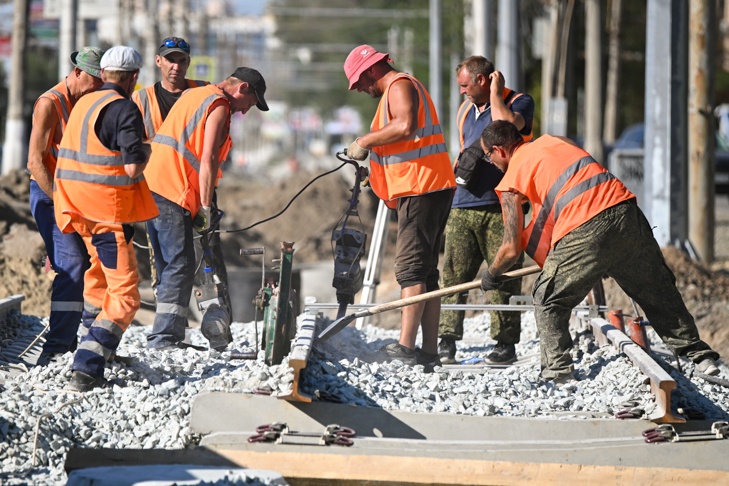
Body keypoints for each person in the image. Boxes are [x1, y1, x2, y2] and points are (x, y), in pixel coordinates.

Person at [479, 120, 722, 382]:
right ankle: (701, 357)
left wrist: (492, 274)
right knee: (657, 290)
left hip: (586, 226)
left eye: (487, 156)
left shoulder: (511, 180)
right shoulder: (554, 141)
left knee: (547, 297)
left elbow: (510, 248)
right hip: (625, 210)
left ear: (499, 150)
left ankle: (557, 373)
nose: (489, 162)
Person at [343, 44, 456, 369]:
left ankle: (406, 348)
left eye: (359, 82)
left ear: (371, 70)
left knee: (410, 269)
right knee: (426, 273)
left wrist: (364, 141)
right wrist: (374, 172)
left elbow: (405, 125)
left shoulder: (398, 85)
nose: (361, 89)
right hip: (426, 186)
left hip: (421, 188)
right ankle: (429, 352)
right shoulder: (399, 87)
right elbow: (404, 144)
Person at [53, 46, 159, 391]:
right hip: (106, 214)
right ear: (132, 78)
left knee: (98, 282)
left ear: (103, 74)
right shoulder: (124, 108)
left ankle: (92, 345)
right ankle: (87, 365)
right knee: (126, 295)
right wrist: (147, 149)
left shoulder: (84, 102)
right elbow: (131, 166)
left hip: (74, 208)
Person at [144, 67, 269, 351]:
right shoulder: (219, 105)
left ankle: (168, 333)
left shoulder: (195, 94)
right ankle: (164, 338)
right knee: (181, 263)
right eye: (248, 104)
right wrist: (205, 207)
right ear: (243, 89)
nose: (245, 111)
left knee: (168, 264)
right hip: (173, 190)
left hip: (153, 185)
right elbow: (208, 158)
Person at [131, 36, 231, 342]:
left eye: (182, 60)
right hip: (161, 191)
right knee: (168, 263)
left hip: (197, 189)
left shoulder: (203, 91)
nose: (176, 66)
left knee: (208, 258)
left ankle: (216, 327)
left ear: (188, 63)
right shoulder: (143, 100)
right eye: (170, 59)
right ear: (158, 61)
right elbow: (133, 146)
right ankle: (171, 328)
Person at [439, 56, 534, 365]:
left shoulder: (520, 102)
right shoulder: (465, 110)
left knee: (504, 279)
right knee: (453, 274)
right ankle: (447, 341)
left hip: (502, 204)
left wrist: (496, 93)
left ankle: (505, 345)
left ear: (483, 80)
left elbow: (506, 125)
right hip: (464, 205)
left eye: (466, 86)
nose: (463, 92)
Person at [27, 46, 104, 365]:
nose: (98, 87)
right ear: (76, 73)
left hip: (74, 196)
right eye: (94, 80)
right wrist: (61, 203)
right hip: (50, 196)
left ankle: (74, 339)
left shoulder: (82, 103)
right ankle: (57, 346)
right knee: (72, 264)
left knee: (84, 260)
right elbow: (35, 162)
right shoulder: (49, 103)